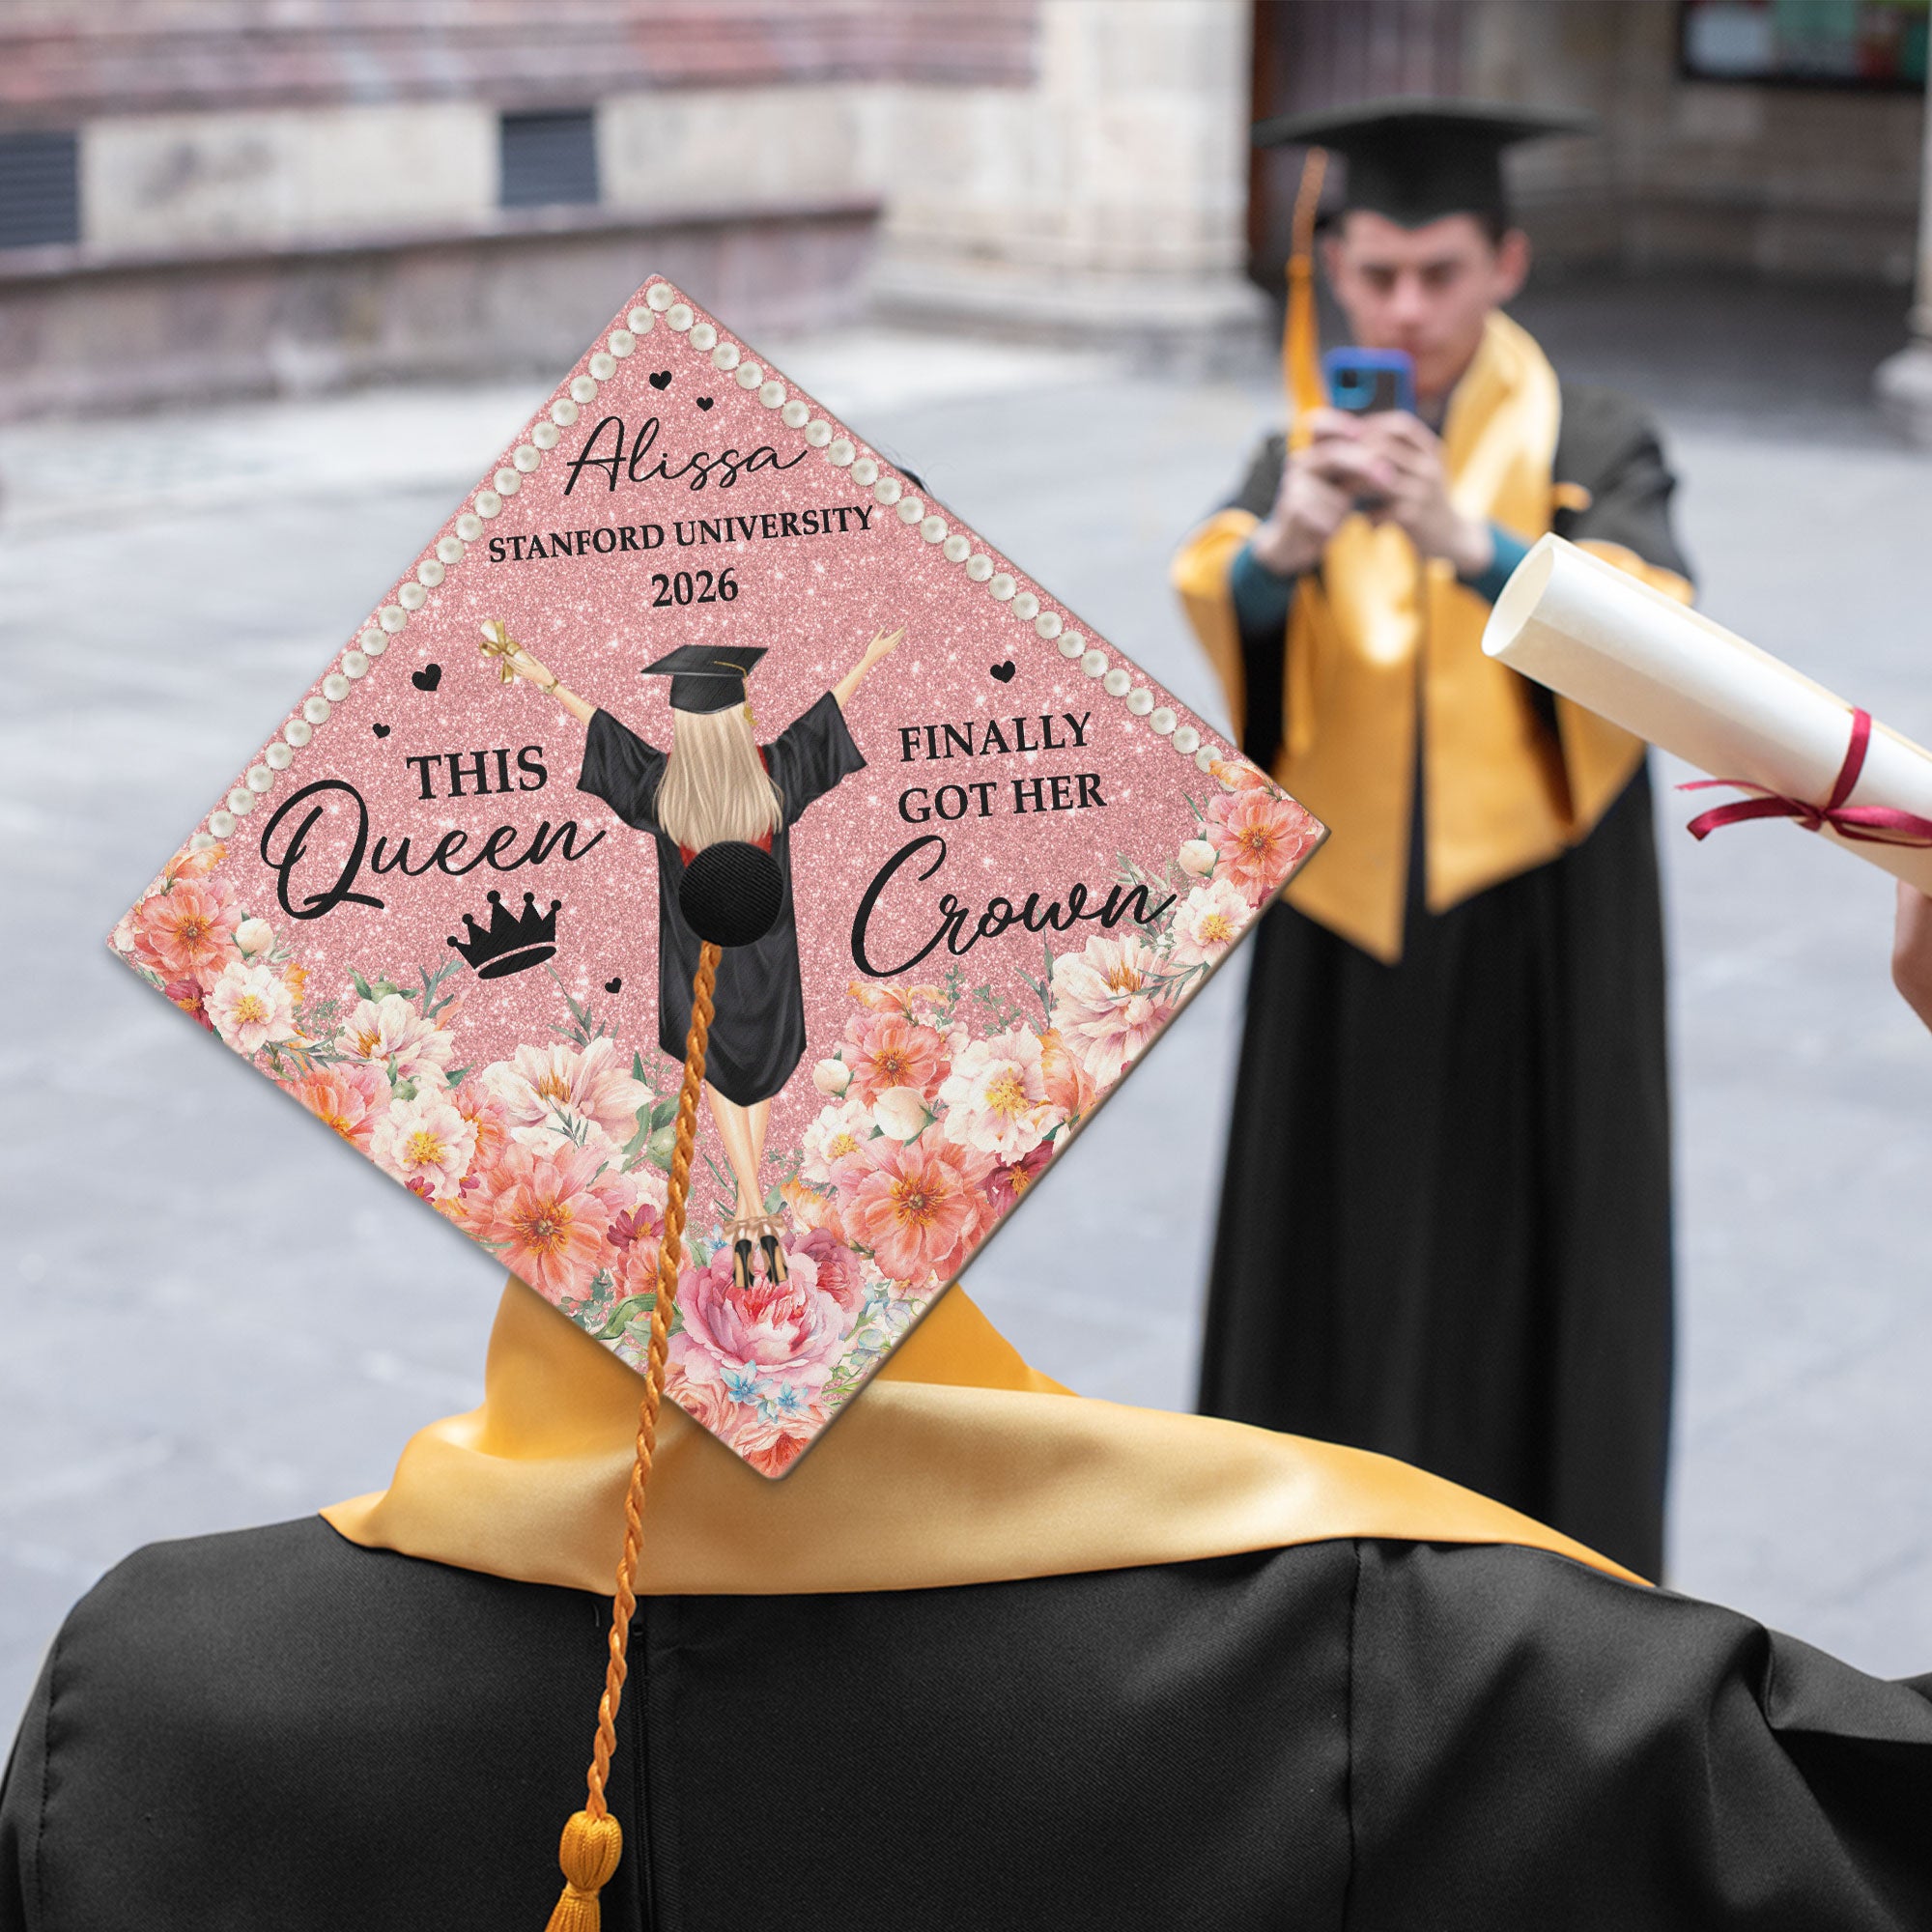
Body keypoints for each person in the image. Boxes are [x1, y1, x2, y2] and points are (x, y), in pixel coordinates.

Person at [1173, 101, 1692, 1577]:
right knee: (1328, 1260)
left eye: (1441, 273)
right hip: (1344, 941)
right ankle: (1300, 1588)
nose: (1407, 309)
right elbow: (1229, 612)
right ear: (1333, 268)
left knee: (1534, 1262)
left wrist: (1474, 543)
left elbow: (1663, 633)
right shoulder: (1296, 452)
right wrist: (1282, 550)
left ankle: (1546, 1597)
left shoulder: (1591, 440)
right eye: (1378, 272)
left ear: (1505, 262)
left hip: (1538, 926)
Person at [505, 627, 903, 1287]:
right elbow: (821, 722)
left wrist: (546, 681)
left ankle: (751, 1210)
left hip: (698, 954)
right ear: (742, 714)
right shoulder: (773, 777)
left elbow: (607, 734)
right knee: (761, 1069)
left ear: (682, 724)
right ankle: (755, 1209)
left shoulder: (664, 788)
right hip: (768, 957)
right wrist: (866, 660)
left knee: (719, 1066)